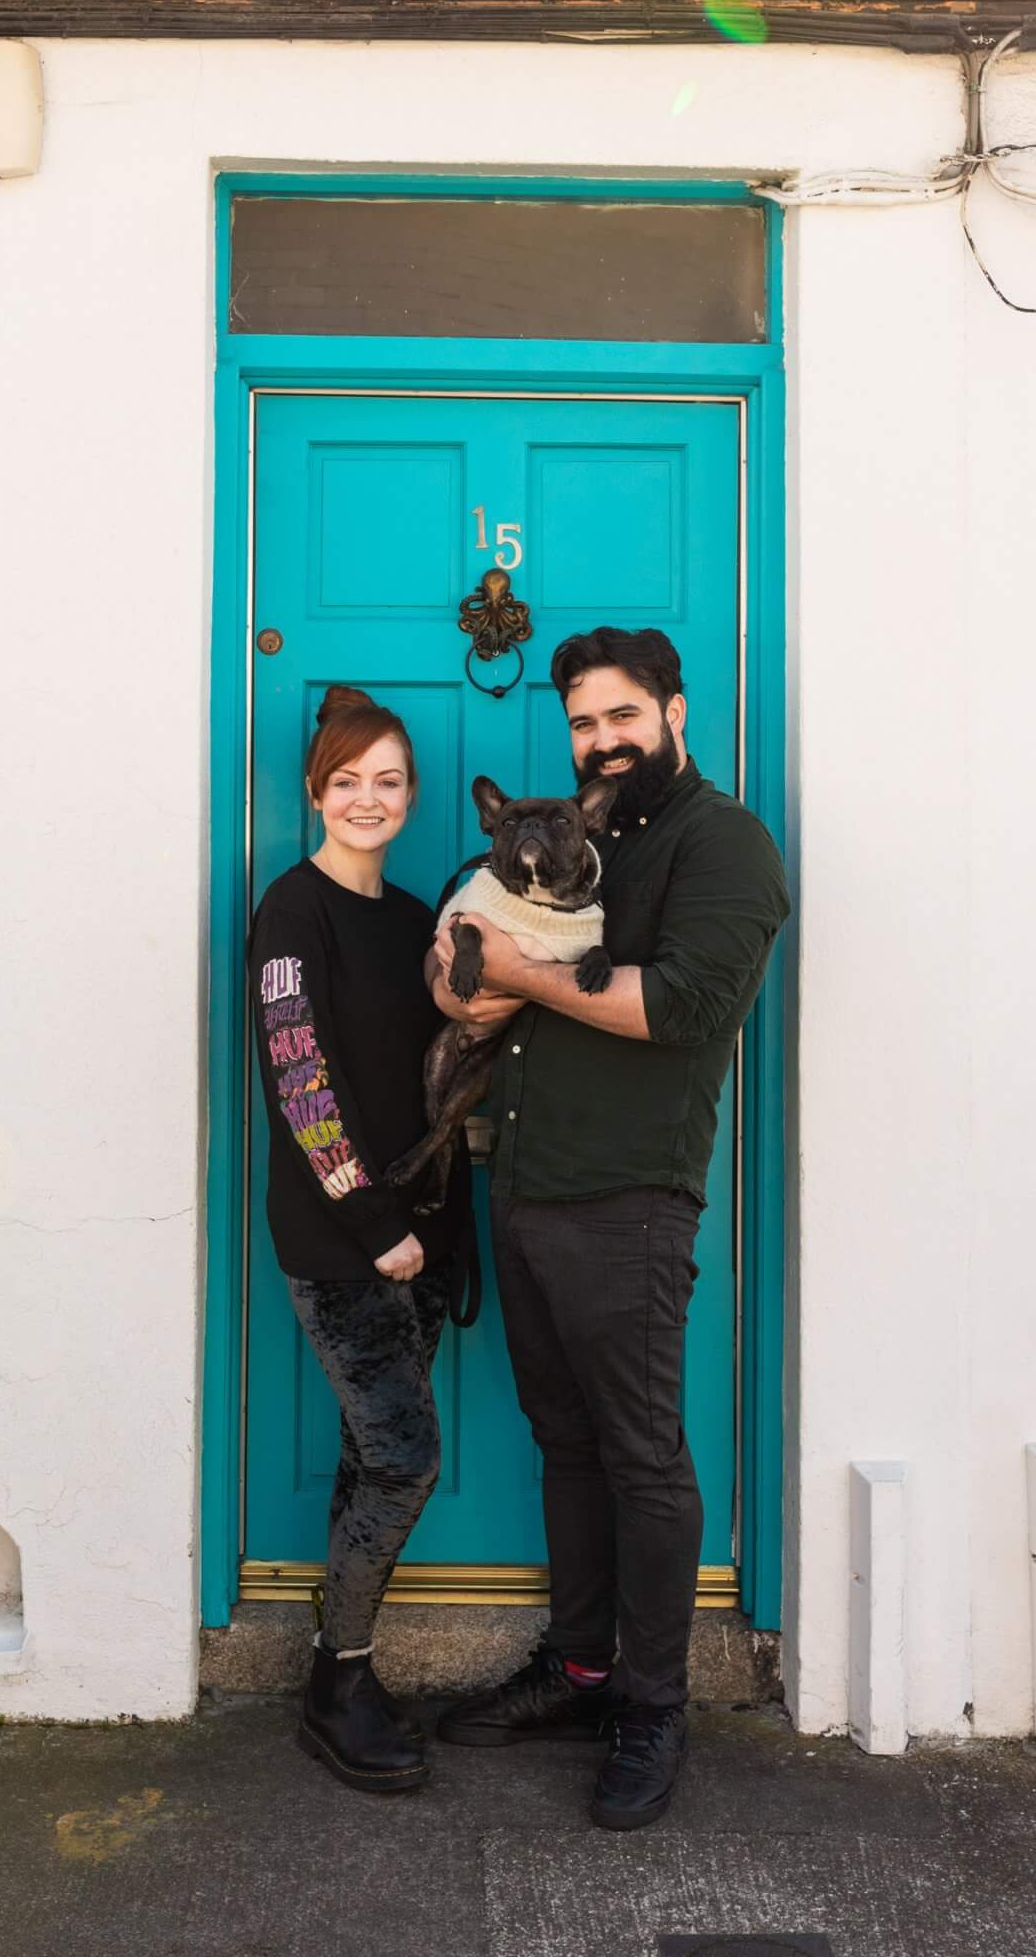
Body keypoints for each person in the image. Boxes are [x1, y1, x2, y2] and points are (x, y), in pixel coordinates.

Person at [430, 627, 789, 1832]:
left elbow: (684, 1005)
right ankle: (579, 1670)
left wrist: (514, 971)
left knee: (639, 1453)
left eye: (622, 714)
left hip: (628, 1193)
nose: (602, 739)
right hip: (525, 1179)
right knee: (565, 1440)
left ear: (673, 710)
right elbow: (457, 966)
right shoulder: (569, 832)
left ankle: (651, 1704)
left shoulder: (722, 843)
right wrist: (458, 966)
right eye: (584, 721)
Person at [249, 684, 470, 1793]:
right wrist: (374, 1222)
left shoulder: (413, 916)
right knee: (404, 1456)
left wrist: (446, 1226)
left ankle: (335, 1672)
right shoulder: (292, 914)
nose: (369, 799)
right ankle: (339, 1684)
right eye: (349, 782)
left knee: (364, 1455)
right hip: (345, 1247)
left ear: (411, 792)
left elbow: (438, 1086)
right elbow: (301, 1079)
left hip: (420, 1244)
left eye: (389, 780)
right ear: (315, 791)